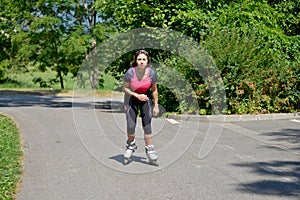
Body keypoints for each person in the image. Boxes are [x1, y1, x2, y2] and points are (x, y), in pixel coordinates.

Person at [123, 49, 159, 165]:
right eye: (139, 59)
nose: (141, 62)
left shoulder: (152, 73)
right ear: (136, 61)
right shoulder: (130, 72)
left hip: (145, 97)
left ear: (147, 61)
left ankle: (150, 149)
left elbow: (154, 90)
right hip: (131, 97)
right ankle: (131, 145)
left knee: (147, 123)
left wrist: (156, 105)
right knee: (131, 125)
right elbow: (125, 88)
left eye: (144, 59)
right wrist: (136, 95)